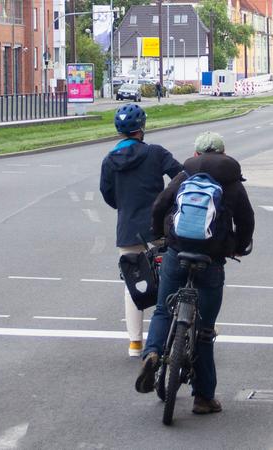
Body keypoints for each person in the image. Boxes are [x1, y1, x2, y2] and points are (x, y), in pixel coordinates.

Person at [135, 131, 255, 415]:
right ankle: (203, 398)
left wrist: (160, 234)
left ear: (197, 154)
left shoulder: (185, 174)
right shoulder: (232, 180)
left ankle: (152, 352)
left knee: (164, 310)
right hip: (211, 259)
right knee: (204, 331)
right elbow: (246, 220)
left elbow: (160, 204)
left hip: (177, 252)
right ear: (223, 153)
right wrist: (237, 247)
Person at [100, 103, 183, 357]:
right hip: (158, 227)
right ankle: (167, 337)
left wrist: (124, 207)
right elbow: (180, 174)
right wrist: (168, 201)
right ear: (142, 128)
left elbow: (108, 193)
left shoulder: (110, 160)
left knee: (133, 283)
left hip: (128, 228)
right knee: (170, 279)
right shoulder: (156, 153)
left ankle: (134, 343)